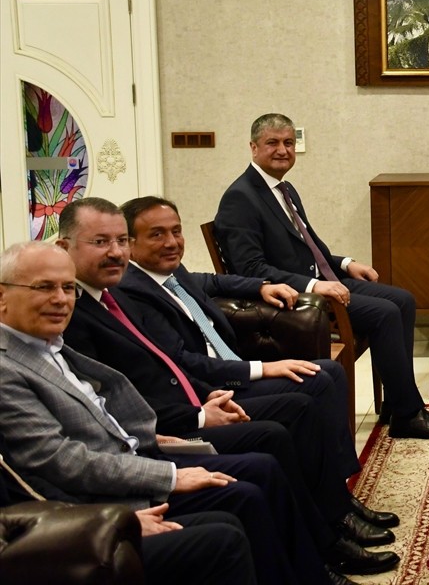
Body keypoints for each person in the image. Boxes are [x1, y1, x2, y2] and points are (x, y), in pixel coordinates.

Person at [54, 198, 397, 576]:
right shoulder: (88, 306)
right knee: (286, 422)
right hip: (169, 426)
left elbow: (189, 319)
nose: (116, 252)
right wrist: (203, 410)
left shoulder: (111, 292)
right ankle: (326, 540)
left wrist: (262, 287)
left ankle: (335, 511)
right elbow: (142, 387)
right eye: (102, 242)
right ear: (64, 248)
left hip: (197, 397)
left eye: (119, 241)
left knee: (318, 381)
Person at [0, 241, 359, 585]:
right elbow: (56, 460)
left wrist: (155, 436)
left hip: (145, 443)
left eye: (66, 288)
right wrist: (166, 476)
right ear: (2, 296)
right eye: (44, 287)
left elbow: (106, 408)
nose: (61, 299)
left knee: (263, 465)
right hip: (102, 497)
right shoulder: (10, 365)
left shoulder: (47, 343)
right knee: (239, 504)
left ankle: (323, 547)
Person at [214, 113, 429, 440]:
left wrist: (345, 264)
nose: (282, 150)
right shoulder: (241, 198)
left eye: (288, 143)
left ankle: (395, 402)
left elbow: (310, 247)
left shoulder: (283, 188)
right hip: (293, 300)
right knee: (384, 314)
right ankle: (407, 415)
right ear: (253, 147)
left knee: (402, 299)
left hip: (320, 283)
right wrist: (317, 286)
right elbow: (251, 270)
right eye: (272, 143)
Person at [0, 438, 256, 585]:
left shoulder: (58, 350)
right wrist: (104, 525)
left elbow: (29, 487)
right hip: (38, 554)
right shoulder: (9, 368)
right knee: (223, 540)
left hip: (68, 519)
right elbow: (62, 461)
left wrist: (105, 518)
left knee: (225, 520)